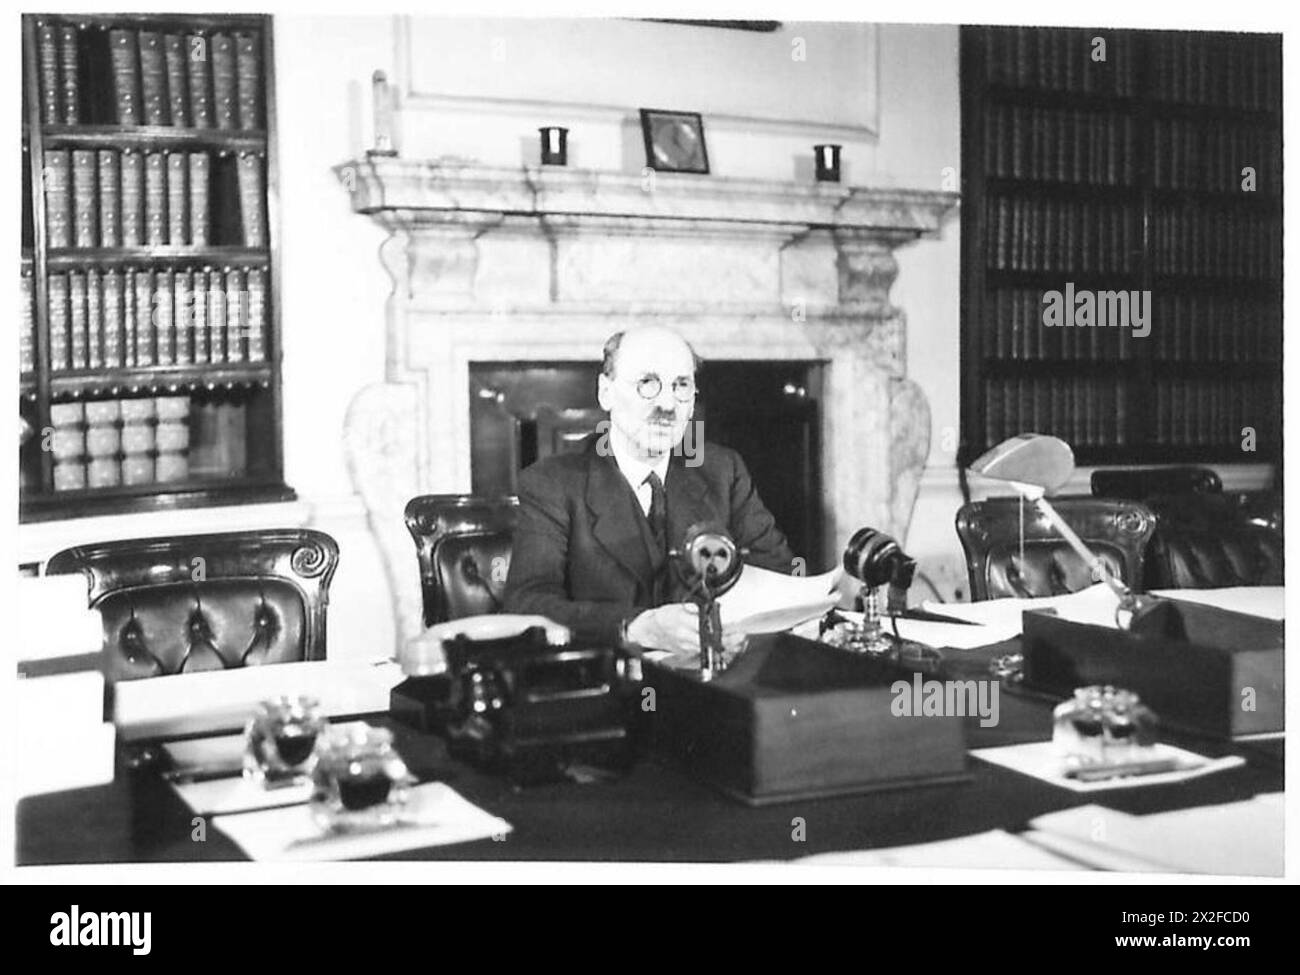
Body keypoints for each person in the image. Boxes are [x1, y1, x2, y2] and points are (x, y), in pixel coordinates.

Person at [504, 325, 796, 652]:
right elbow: (527, 604)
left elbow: (781, 576)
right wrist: (636, 627)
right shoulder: (554, 483)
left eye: (681, 385)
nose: (668, 405)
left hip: (712, 682)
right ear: (606, 392)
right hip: (610, 684)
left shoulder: (722, 470)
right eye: (648, 384)